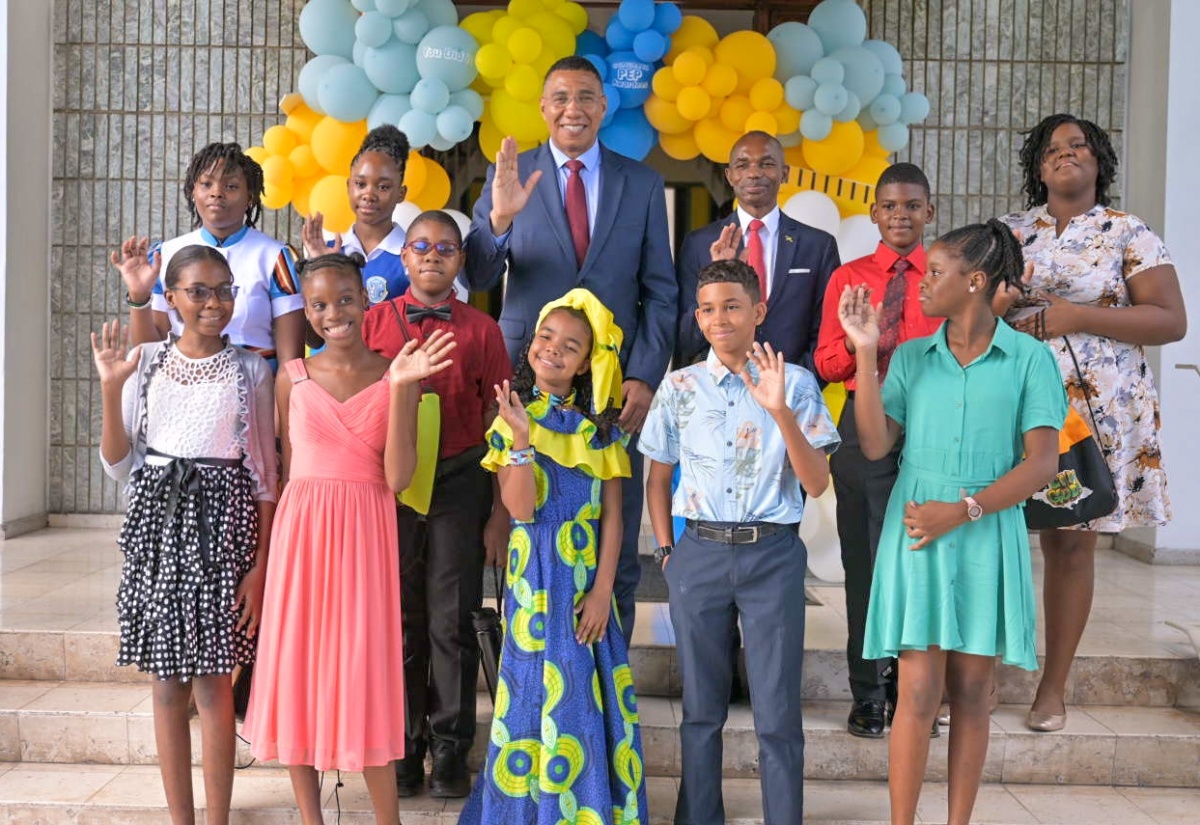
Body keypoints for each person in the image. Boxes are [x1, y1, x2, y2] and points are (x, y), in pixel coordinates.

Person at [838, 220, 1065, 825]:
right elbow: (875, 443)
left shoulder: (1030, 359)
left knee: (971, 694)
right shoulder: (912, 357)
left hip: (984, 533)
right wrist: (864, 352)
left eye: (936, 273)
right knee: (913, 692)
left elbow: (1042, 463)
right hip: (918, 531)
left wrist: (962, 511)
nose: (922, 283)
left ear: (977, 281)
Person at [464, 55, 678, 644]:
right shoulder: (511, 175)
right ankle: (527, 672)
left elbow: (660, 291)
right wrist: (499, 221)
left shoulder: (642, 182)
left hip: (611, 391)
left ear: (604, 107)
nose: (572, 108)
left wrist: (643, 375)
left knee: (612, 522)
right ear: (542, 106)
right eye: (560, 96)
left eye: (585, 96)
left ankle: (609, 681)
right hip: (526, 379)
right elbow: (480, 273)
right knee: (520, 522)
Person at [242, 253, 456, 825]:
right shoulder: (291, 377)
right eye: (318, 304)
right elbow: (284, 470)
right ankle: (311, 819)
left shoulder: (396, 372)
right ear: (305, 311)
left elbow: (398, 478)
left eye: (344, 299)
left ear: (367, 301)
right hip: (302, 536)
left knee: (364, 670)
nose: (333, 312)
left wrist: (406, 388)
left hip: (365, 532)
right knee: (300, 672)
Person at [998, 114, 1186, 732]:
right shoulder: (1010, 231)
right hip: (1011, 401)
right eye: (1052, 149)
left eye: (1078, 145)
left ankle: (1052, 688)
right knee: (986, 532)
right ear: (1037, 166)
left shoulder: (1128, 232)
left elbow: (1167, 321)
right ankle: (970, 679)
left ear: (1099, 158)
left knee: (1069, 541)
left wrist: (1079, 315)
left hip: (1093, 414)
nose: (1065, 155)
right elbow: (971, 302)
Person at [641, 259, 840, 825]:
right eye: (707, 308)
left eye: (732, 305)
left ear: (759, 310)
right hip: (697, 555)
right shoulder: (680, 387)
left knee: (777, 711)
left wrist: (778, 411)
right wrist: (667, 552)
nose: (718, 317)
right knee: (701, 710)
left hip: (771, 554)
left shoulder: (795, 383)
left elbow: (817, 482)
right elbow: (658, 477)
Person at [93, 245, 277, 825]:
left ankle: (217, 819)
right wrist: (109, 388)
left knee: (214, 685)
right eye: (198, 291)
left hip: (224, 530)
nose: (214, 302)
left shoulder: (252, 369)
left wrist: (260, 565)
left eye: (224, 290)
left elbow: (266, 480)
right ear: (169, 299)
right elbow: (118, 464)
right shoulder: (144, 360)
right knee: (167, 684)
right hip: (157, 529)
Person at [460, 289, 648, 824]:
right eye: (546, 337)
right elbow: (521, 510)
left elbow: (614, 517)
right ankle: (534, 809)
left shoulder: (600, 431)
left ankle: (583, 808)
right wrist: (520, 440)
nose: (554, 350)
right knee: (531, 693)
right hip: (534, 576)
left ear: (588, 362)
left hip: (588, 577)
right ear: (532, 343)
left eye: (571, 345)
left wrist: (604, 589)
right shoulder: (511, 416)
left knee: (585, 694)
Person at [360, 210, 512, 798]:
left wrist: (498, 510)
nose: (431, 255)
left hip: (458, 480)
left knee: (451, 616)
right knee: (399, 620)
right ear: (404, 258)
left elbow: (500, 421)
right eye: (420, 246)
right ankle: (402, 743)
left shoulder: (483, 329)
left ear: (460, 261)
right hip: (390, 486)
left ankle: (451, 748)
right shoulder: (373, 323)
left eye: (445, 248)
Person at [814, 162, 943, 738]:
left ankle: (915, 691)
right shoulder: (849, 278)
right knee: (864, 562)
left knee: (924, 561)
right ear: (874, 213)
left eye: (912, 206)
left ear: (930, 212)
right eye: (890, 206)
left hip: (932, 429)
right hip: (861, 421)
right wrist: (856, 340)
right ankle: (868, 693)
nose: (901, 216)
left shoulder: (946, 276)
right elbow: (826, 363)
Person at [113, 142, 306, 370]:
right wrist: (138, 295)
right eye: (206, 184)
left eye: (231, 186)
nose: (216, 193)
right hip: (182, 385)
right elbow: (151, 352)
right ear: (193, 191)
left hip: (255, 390)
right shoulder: (162, 256)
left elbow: (290, 363)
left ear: (250, 197)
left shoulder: (275, 257)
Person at [676, 130, 840, 371]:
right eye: (742, 165)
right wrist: (719, 274)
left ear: (784, 173)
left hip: (792, 393)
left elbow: (827, 331)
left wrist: (800, 382)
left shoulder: (817, 245)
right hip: (719, 395)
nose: (754, 173)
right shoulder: (699, 244)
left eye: (766, 164)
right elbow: (685, 338)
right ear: (729, 176)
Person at [301, 125, 412, 308]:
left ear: (401, 193)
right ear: (348, 186)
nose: (368, 195)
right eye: (360, 184)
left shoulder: (413, 255)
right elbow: (314, 324)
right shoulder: (328, 252)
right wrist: (322, 266)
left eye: (383, 187)